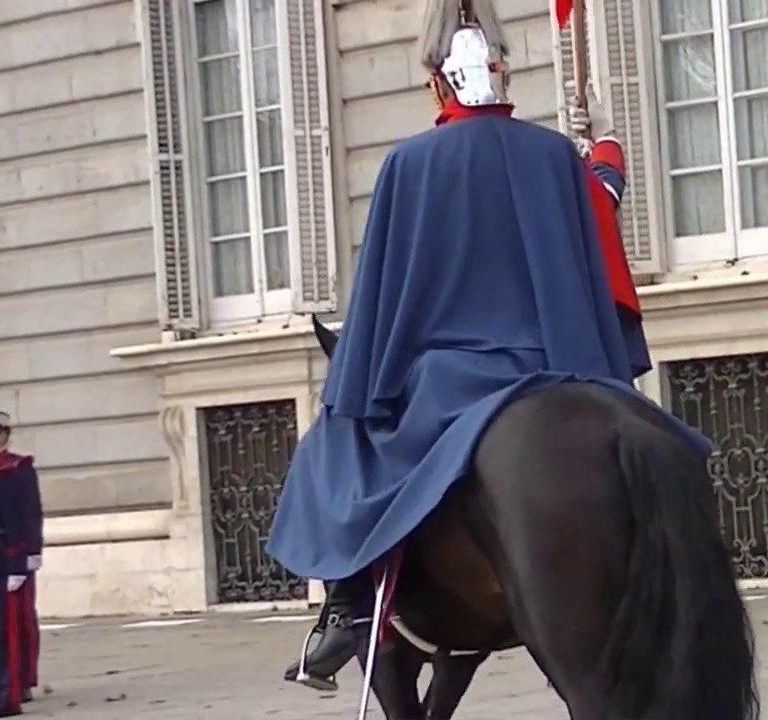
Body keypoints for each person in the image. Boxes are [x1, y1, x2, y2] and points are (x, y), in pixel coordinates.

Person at [265, 0, 694, 706]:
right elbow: (593, 230)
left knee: (333, 446)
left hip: (451, 380)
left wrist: (358, 378)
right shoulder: (554, 154)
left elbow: (384, 299)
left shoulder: (409, 164)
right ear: (500, 73)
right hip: (556, 366)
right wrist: (606, 156)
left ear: (437, 82)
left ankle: (346, 613)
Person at [0, 410, 41, 718]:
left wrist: (26, 557)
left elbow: (25, 515)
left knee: (14, 627)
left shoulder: (14, 468)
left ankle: (14, 687)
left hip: (4, 558)